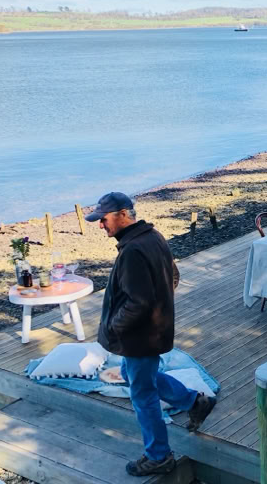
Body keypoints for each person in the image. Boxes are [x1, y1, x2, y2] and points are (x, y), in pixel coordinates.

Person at [86, 192, 216, 477]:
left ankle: (158, 456)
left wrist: (113, 326)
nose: (100, 225)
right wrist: (161, 304)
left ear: (123, 215)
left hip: (140, 337)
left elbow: (138, 302)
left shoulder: (133, 250)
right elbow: (174, 276)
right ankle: (195, 402)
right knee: (132, 374)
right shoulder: (152, 236)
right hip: (153, 330)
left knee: (142, 395)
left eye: (103, 219)